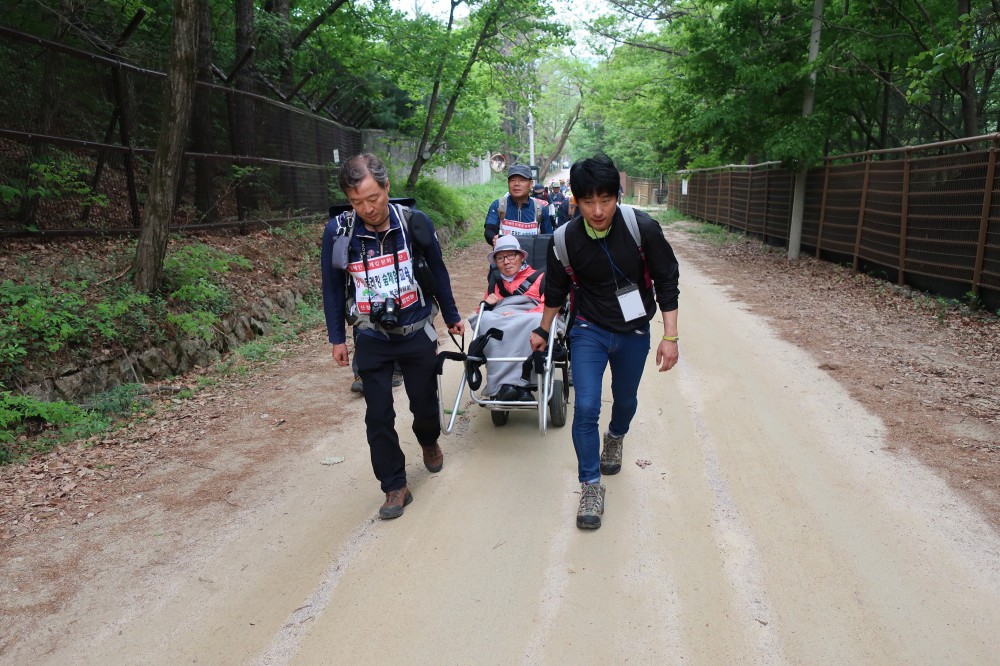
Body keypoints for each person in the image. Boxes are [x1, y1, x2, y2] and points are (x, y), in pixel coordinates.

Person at [529, 154, 680, 530]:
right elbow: (555, 290)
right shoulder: (564, 240)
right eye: (588, 201)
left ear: (617, 195)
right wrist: (543, 330)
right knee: (586, 407)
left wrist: (670, 336)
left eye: (606, 200)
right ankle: (591, 486)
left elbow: (666, 280)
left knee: (625, 400)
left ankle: (616, 436)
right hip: (588, 328)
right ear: (575, 201)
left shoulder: (642, 228)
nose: (597, 211)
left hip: (634, 330)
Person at [321, 153, 465, 520]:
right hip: (371, 335)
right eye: (357, 202)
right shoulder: (339, 231)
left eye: (373, 198)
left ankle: (428, 439)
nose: (367, 208)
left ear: (387, 187)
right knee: (378, 415)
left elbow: (438, 271)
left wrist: (451, 316)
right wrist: (337, 337)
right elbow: (332, 288)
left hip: (416, 329)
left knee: (424, 404)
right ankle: (394, 485)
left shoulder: (414, 222)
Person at [470, 235, 546, 401]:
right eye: (500, 258)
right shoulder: (494, 282)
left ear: (521, 257)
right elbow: (479, 311)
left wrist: (521, 315)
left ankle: (522, 385)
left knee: (536, 321)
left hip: (527, 316)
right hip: (501, 317)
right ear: (496, 262)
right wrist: (486, 303)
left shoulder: (540, 277)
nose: (506, 261)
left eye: (511, 256)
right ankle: (505, 386)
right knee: (484, 319)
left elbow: (549, 306)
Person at [483, 164, 552, 246]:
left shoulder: (540, 209)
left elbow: (548, 238)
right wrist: (494, 239)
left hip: (532, 254)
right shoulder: (498, 205)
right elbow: (489, 231)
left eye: (522, 180)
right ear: (508, 183)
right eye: (512, 180)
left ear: (531, 184)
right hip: (506, 253)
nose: (516, 184)